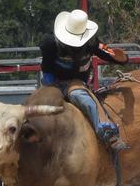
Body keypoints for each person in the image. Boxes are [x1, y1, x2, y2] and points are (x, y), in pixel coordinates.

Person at [39, 9, 131, 150]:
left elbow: (107, 52)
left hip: (76, 83)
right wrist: (51, 86)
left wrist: (121, 59)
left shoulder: (91, 42)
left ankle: (107, 131)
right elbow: (47, 67)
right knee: (40, 104)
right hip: (53, 81)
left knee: (82, 97)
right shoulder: (50, 43)